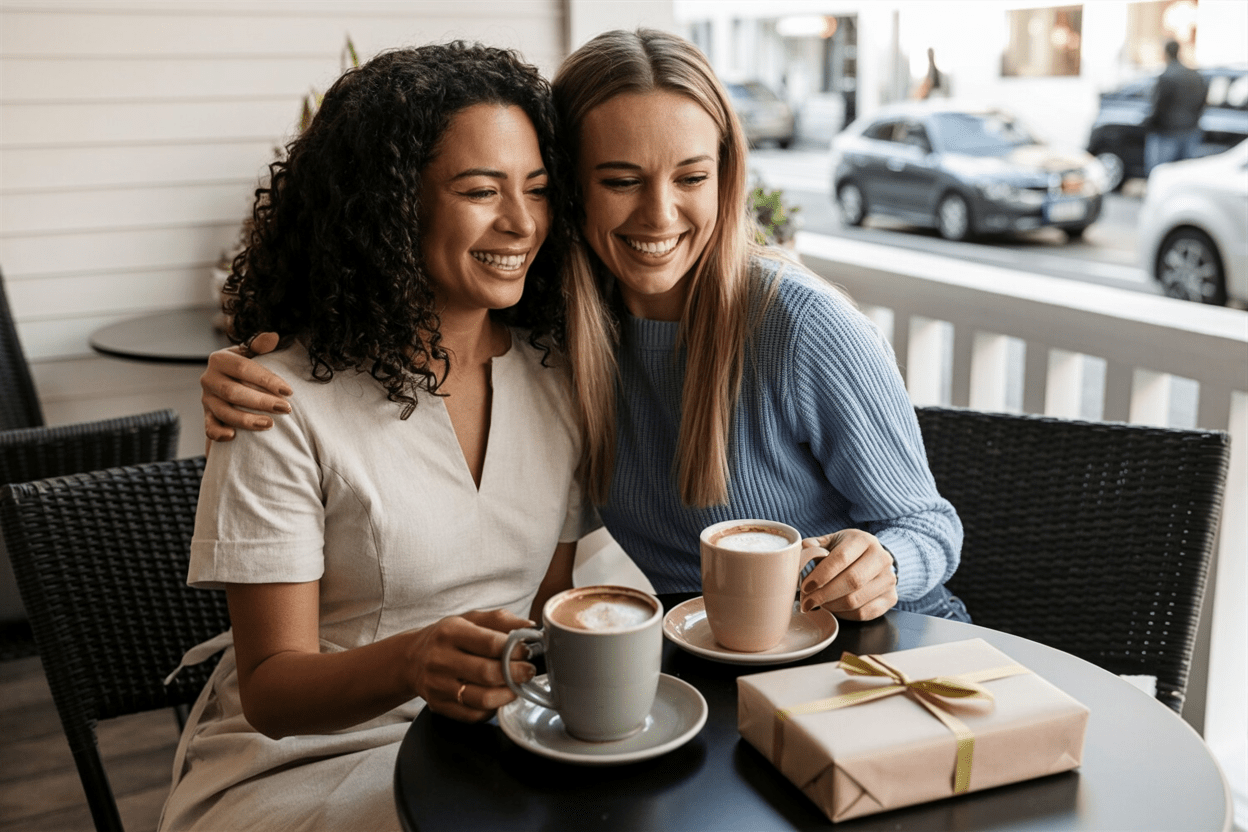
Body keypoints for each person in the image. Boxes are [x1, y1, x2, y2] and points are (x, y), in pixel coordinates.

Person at [201, 29, 968, 625]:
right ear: (568, 190)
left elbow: (927, 524)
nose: (660, 216)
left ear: (726, 178)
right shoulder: (558, 329)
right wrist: (253, 364)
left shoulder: (799, 326)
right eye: (620, 180)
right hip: (712, 673)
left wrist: (886, 565)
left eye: (691, 178)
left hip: (872, 649)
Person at [160, 43, 592, 832]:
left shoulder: (558, 378)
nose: (521, 221)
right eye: (478, 190)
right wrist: (411, 661)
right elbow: (270, 691)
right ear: (391, 205)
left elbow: (545, 611)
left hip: (489, 745)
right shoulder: (275, 400)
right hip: (300, 767)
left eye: (536, 188)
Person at [1145, 39, 1207, 175]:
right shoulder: (1196, 76)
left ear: (1166, 53)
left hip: (1167, 132)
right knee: (1183, 174)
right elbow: (1203, 103)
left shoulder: (1167, 76)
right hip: (1190, 130)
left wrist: (1150, 124)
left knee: (1159, 173)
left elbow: (1158, 106)